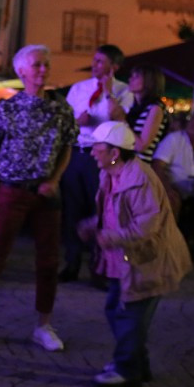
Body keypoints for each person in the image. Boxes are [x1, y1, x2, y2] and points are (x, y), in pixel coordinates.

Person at [0, 44, 77, 350]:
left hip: (45, 192)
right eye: (36, 65)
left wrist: (55, 180)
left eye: (46, 64)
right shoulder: (6, 108)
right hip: (12, 188)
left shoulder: (60, 109)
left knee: (48, 261)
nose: (43, 70)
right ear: (22, 71)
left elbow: (67, 148)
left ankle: (43, 325)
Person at [77, 122, 191, 387]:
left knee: (128, 314)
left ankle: (127, 370)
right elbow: (113, 213)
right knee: (118, 310)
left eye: (98, 148)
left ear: (114, 152)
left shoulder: (138, 180)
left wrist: (111, 237)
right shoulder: (111, 174)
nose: (93, 152)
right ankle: (136, 364)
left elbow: (146, 226)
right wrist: (95, 225)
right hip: (129, 260)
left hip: (148, 260)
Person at [61, 45, 134, 282]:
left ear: (115, 67)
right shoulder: (79, 88)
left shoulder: (125, 91)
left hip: (103, 155)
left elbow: (120, 119)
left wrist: (109, 92)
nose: (95, 65)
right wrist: (77, 121)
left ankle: (100, 267)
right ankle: (71, 262)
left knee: (100, 210)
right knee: (72, 208)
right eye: (94, 60)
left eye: (101, 62)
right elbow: (66, 123)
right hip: (78, 152)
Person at [121, 64, 168, 163]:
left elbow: (141, 146)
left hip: (138, 166)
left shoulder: (156, 108)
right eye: (131, 76)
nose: (130, 79)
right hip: (126, 164)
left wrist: (121, 120)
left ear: (149, 81)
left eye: (136, 76)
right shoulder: (135, 107)